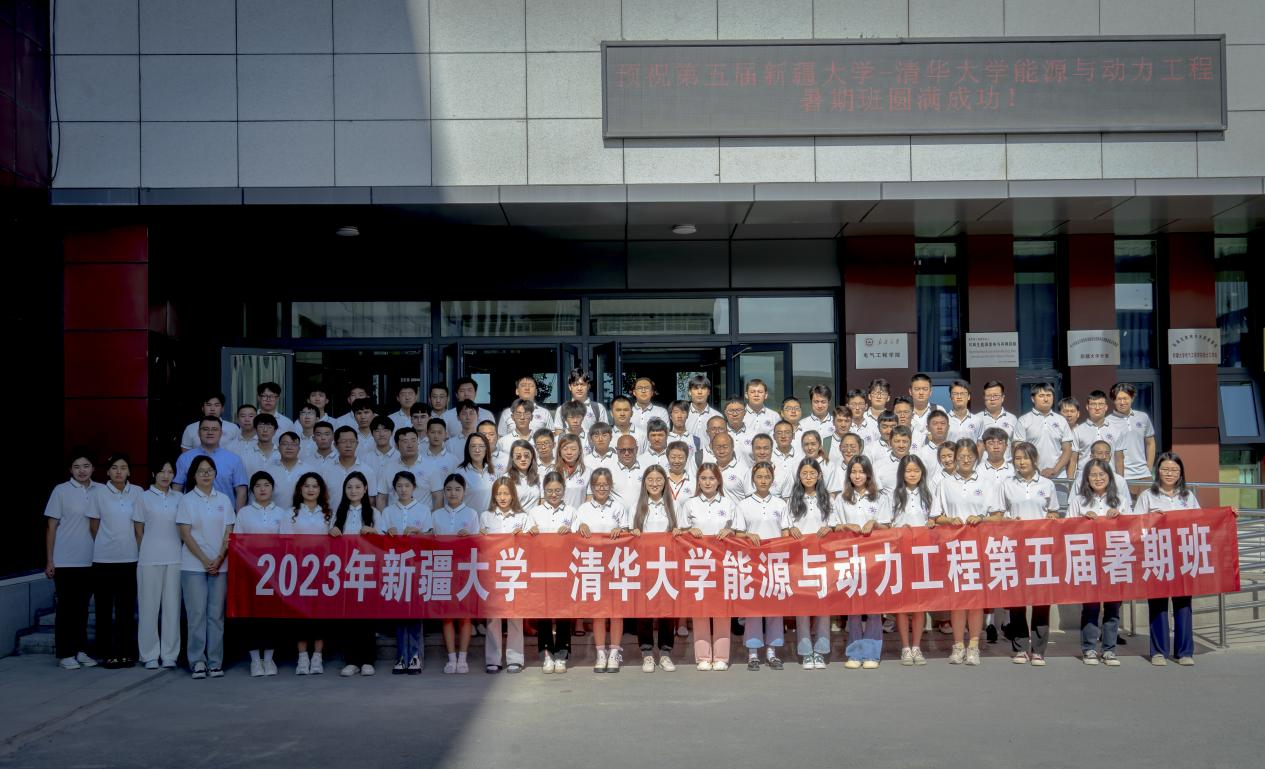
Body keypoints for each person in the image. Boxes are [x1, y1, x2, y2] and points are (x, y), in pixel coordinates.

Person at [988, 442, 1060, 666]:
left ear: (1034, 460)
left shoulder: (1047, 484)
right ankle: (1019, 647)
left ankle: (1038, 650)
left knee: (1041, 600)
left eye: (1026, 458)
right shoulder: (1006, 484)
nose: (1021, 462)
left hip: (1041, 549)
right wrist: (1007, 520)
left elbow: (1054, 513)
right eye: (1018, 458)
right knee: (1017, 599)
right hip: (1015, 548)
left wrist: (1052, 518)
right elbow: (997, 515)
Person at [1135, 452, 1200, 666]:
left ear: (1181, 473)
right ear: (1158, 472)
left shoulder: (1188, 497)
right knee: (1158, 605)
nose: (1169, 473)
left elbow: (1201, 522)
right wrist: (1152, 520)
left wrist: (1228, 513)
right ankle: (1158, 652)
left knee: (1183, 605)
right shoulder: (1147, 496)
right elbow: (1135, 526)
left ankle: (1184, 652)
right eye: (1165, 469)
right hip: (1157, 556)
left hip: (1182, 557)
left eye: (1174, 470)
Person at [933, 439, 991, 666]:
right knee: (957, 600)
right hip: (954, 547)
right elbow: (935, 516)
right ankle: (958, 646)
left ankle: (973, 646)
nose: (966, 460)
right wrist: (949, 520)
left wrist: (981, 518)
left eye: (970, 456)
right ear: (955, 458)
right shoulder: (945, 483)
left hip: (979, 548)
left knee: (975, 600)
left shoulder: (986, 482)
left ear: (976, 457)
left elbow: (997, 514)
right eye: (961, 456)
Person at [176, 455, 235, 679]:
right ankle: (197, 661)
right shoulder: (187, 500)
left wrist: (219, 558)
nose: (206, 474)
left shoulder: (224, 500)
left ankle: (215, 661)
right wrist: (203, 559)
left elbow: (229, 532)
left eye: (209, 470)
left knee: (215, 614)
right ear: (194, 475)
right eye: (201, 471)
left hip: (220, 564)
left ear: (215, 473)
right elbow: (185, 534)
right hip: (193, 564)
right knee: (197, 613)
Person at [1066, 458, 1129, 666]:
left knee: (1113, 607)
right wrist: (1082, 521)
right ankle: (1089, 649)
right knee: (1091, 606)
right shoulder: (1079, 501)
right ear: (1087, 478)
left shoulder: (1120, 500)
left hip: (1115, 558)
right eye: (1093, 475)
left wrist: (1120, 517)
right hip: (1089, 559)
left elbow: (1133, 528)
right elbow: (1067, 528)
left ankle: (1109, 649)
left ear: (1109, 477)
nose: (1098, 478)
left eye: (1102, 474)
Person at [782, 458, 840, 669]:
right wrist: (790, 530)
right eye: (804, 474)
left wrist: (829, 529)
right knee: (803, 606)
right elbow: (784, 530)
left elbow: (836, 527)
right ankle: (806, 652)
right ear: (798, 476)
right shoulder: (792, 501)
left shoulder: (828, 500)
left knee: (823, 606)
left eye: (812, 474)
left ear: (819, 476)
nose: (808, 477)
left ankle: (821, 651)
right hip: (800, 561)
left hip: (823, 560)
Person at [678, 463, 738, 671]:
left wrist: (730, 532)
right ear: (698, 481)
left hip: (723, 565)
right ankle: (703, 656)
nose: (707, 482)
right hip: (698, 565)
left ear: (719, 481)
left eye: (712, 478)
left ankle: (721, 656)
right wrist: (689, 531)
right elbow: (679, 533)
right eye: (703, 478)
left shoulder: (729, 504)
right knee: (700, 610)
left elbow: (740, 532)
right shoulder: (690, 504)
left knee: (722, 610)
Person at [45, 450, 100, 670]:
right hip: (65, 560)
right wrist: (50, 560)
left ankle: (81, 650)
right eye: (76, 467)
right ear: (70, 470)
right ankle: (65, 653)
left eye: (86, 466)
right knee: (66, 608)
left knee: (83, 608)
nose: (81, 471)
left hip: (92, 559)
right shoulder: (61, 491)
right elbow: (51, 527)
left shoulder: (101, 490)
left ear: (93, 468)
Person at [87, 453, 143, 668]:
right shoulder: (98, 493)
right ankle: (105, 652)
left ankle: (125, 652)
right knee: (103, 608)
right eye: (114, 468)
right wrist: (107, 544)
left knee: (126, 609)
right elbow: (94, 527)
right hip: (103, 559)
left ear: (129, 471)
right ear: (108, 471)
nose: (119, 472)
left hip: (129, 558)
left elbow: (139, 528)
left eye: (123, 468)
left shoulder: (137, 492)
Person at [837, 456, 892, 670]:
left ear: (868, 473)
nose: (857, 475)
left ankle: (871, 653)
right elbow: (834, 526)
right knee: (853, 608)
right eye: (853, 472)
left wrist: (875, 523)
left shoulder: (879, 498)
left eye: (861, 471)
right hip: (850, 559)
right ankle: (854, 652)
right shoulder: (842, 498)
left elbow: (888, 527)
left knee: (873, 609)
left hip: (874, 560)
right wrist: (845, 526)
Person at [573, 468, 627, 673]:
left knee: (616, 612)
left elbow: (628, 535)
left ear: (611, 486)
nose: (601, 488)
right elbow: (575, 535)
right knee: (599, 612)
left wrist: (621, 531)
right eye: (597, 485)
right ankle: (600, 652)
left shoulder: (619, 507)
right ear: (591, 487)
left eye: (605, 485)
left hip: (616, 565)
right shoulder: (583, 509)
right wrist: (581, 527)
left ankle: (614, 652)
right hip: (593, 566)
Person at [734, 461, 787, 671]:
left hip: (775, 563)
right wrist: (748, 535)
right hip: (752, 564)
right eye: (759, 477)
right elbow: (737, 534)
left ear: (772, 479)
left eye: (767, 477)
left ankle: (772, 652)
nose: (763, 480)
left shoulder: (780, 504)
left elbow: (785, 532)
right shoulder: (743, 505)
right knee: (753, 609)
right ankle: (753, 653)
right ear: (753, 480)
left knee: (774, 609)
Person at [234, 471, 286, 677]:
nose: (262, 489)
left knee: (271, 617)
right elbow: (238, 542)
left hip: (274, 574)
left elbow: (287, 543)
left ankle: (269, 659)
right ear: (252, 490)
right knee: (251, 617)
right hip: (250, 573)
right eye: (257, 486)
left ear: (272, 489)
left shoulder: (281, 513)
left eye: (266, 485)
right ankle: (255, 660)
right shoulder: (244, 513)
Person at [330, 472, 381, 677]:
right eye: (349, 487)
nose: (353, 491)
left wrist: (374, 532)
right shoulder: (338, 512)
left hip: (367, 570)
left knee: (367, 617)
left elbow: (385, 540)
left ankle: (368, 660)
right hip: (344, 570)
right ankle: (351, 661)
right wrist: (332, 532)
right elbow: (329, 538)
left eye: (358, 487)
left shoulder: (374, 513)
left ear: (365, 489)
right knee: (348, 617)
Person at [627, 466, 678, 673]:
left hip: (667, 566)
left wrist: (677, 532)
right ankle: (647, 653)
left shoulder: (674, 505)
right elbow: (629, 535)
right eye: (650, 480)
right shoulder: (636, 506)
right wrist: (634, 533)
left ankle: (665, 653)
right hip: (644, 566)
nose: (654, 484)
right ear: (644, 483)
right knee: (644, 611)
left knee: (667, 612)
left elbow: (681, 532)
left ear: (665, 482)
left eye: (659, 480)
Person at [133, 458, 182, 670]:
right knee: (148, 608)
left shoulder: (180, 498)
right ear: (154, 474)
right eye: (162, 471)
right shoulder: (143, 497)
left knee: (172, 608)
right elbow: (138, 530)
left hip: (175, 557)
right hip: (149, 558)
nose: (165, 475)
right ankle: (149, 654)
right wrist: (145, 551)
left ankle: (170, 654)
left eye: (169, 472)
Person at [480, 479, 532, 674]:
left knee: (515, 615)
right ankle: (493, 659)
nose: (502, 498)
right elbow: (479, 544)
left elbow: (533, 542)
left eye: (506, 493)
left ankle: (515, 659)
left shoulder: (523, 517)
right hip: (492, 572)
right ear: (494, 496)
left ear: (513, 495)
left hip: (514, 571)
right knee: (493, 617)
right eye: (499, 494)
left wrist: (526, 534)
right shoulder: (485, 516)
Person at [891, 455, 937, 666]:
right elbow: (887, 524)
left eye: (916, 471)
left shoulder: (928, 494)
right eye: (908, 471)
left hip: (923, 554)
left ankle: (917, 646)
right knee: (903, 603)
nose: (912, 474)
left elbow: (936, 518)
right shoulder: (894, 495)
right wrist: (899, 529)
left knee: (920, 603)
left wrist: (932, 523)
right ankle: (905, 647)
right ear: (902, 473)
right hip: (901, 554)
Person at [383, 471, 430, 675]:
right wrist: (389, 534)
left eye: (407, 485)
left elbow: (430, 537)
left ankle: (415, 655)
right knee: (400, 612)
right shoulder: (387, 512)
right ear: (394, 489)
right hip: (395, 567)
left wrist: (419, 534)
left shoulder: (424, 510)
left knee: (415, 612)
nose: (403, 489)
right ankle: (402, 655)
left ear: (414, 488)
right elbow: (380, 540)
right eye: (399, 486)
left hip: (417, 566)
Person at [432, 474, 480, 674]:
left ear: (464, 492)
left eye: (457, 489)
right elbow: (430, 542)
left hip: (465, 568)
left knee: (465, 615)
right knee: (447, 616)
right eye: (449, 489)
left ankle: (463, 658)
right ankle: (451, 658)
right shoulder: (436, 515)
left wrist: (470, 537)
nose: (453, 493)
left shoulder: (472, 514)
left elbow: (479, 544)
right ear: (444, 491)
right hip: (443, 568)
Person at [529, 472, 575, 673]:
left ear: (564, 490)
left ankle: (562, 654)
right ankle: (546, 653)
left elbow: (580, 537)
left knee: (564, 612)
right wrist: (531, 532)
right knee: (544, 612)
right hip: (542, 570)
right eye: (549, 491)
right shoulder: (535, 512)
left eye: (557, 490)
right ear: (543, 491)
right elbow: (526, 539)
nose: (554, 494)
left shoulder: (572, 512)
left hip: (564, 570)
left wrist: (571, 531)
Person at [289, 472, 333, 675]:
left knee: (320, 614)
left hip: (323, 570)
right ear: (300, 489)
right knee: (300, 614)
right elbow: (285, 543)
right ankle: (302, 657)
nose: (310, 489)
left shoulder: (328, 513)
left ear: (320, 490)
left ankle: (317, 656)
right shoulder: (291, 513)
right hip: (298, 571)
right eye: (306, 485)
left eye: (315, 486)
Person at [174, 416, 248, 510]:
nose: (210, 432)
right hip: (192, 513)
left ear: (221, 433)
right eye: (205, 429)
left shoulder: (234, 459)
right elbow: (177, 488)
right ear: (198, 432)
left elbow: (241, 491)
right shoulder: (185, 458)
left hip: (225, 514)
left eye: (214, 429)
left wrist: (238, 516)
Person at [1014, 383, 1073, 481]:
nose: (1046, 399)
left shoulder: (1061, 420)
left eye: (1049, 395)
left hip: (1058, 476)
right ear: (1033, 399)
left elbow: (1067, 450)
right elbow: (1018, 449)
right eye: (1041, 396)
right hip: (1032, 477)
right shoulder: (1023, 420)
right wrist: (1033, 470)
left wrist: (1054, 470)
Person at [1070, 390, 1126, 480]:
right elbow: (1073, 460)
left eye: (1101, 404)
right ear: (1087, 407)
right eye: (1093, 404)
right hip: (1083, 479)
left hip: (1109, 478)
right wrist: (1070, 482)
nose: (1097, 408)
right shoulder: (1077, 431)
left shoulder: (1116, 431)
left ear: (1106, 407)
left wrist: (1120, 481)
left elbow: (1119, 459)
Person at [1108, 382, 1157, 482]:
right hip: (1121, 476)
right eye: (1119, 399)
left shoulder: (1143, 417)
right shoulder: (1107, 422)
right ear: (1114, 400)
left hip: (1144, 475)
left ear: (1132, 398)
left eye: (1125, 398)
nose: (1122, 402)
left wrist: (1148, 469)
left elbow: (1150, 443)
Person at [321, 426, 379, 509]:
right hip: (332, 516)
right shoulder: (326, 469)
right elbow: (321, 497)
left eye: (352, 441)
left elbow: (371, 499)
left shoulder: (367, 470)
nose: (348, 445)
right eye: (344, 441)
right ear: (335, 445)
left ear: (357, 444)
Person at [553, 368, 608, 434]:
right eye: (576, 385)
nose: (579, 388)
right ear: (570, 387)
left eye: (582, 384)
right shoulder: (561, 410)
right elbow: (559, 433)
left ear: (588, 386)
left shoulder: (599, 408)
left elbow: (604, 432)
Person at [977, 380, 1019, 459]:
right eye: (989, 396)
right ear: (984, 397)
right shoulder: (976, 419)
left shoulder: (1012, 419)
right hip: (983, 465)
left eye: (996, 395)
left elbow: (1015, 445)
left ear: (1002, 398)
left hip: (1006, 464)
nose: (992, 399)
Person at [506, 439, 542, 509]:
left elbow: (542, 504)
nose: (523, 459)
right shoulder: (506, 479)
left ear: (532, 456)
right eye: (518, 456)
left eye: (526, 455)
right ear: (512, 458)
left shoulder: (539, 478)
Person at [684, 374, 722, 439]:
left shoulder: (717, 416)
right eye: (696, 388)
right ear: (689, 392)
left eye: (703, 388)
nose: (699, 392)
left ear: (708, 392)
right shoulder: (682, 415)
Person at [611, 434, 646, 504]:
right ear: (617, 450)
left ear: (637, 449)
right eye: (622, 450)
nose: (626, 453)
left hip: (640, 510)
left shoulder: (646, 470)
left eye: (630, 450)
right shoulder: (609, 471)